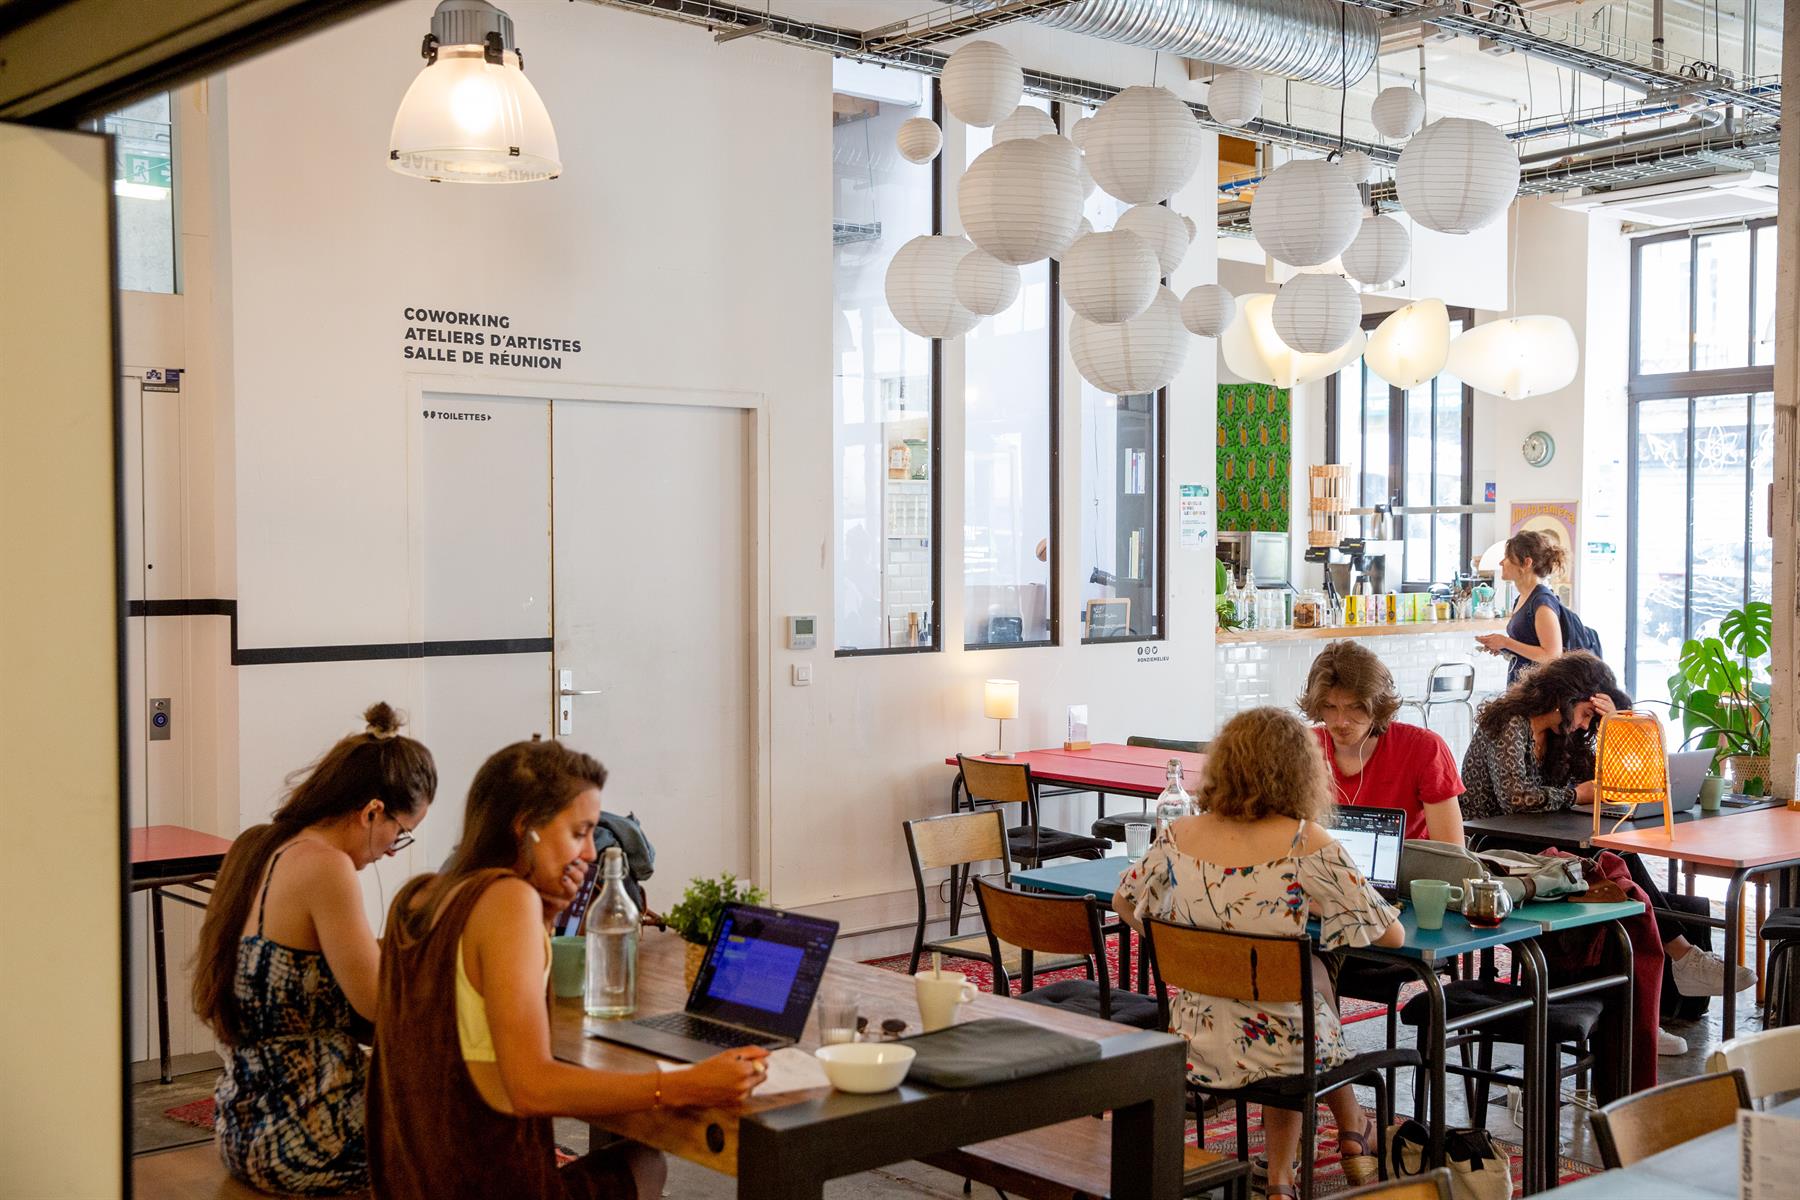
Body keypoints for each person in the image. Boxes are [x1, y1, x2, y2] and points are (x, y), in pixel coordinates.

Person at [368, 737, 766, 1199]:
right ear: (526, 827)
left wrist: (545, 914)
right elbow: (532, 1087)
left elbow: (469, 1032)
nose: (592, 853)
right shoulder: (507, 900)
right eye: (580, 833)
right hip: (492, 1186)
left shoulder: (416, 897)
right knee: (646, 1163)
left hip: (410, 1183)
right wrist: (685, 1085)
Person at [1113, 708, 1402, 1198]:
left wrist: (1184, 943)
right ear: (1300, 772)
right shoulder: (1305, 841)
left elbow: (1125, 902)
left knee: (1304, 987)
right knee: (1297, 1008)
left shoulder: (1178, 835)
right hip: (1281, 1049)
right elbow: (1389, 934)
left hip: (1193, 1040)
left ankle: (1313, 1156)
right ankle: (1296, 1171)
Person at [191, 702, 436, 1196]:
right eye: (401, 832)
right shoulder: (326, 866)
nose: (393, 849)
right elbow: (378, 1005)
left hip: (245, 1125)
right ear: (372, 811)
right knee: (467, 1139)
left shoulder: (264, 846)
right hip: (309, 1134)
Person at [1460, 653, 1754, 1049]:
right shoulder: (1510, 723)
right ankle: (1665, 980)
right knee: (1608, 868)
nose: (1584, 725)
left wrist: (1614, 722)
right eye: (1585, 714)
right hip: (1496, 850)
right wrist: (1575, 794)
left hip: (1541, 845)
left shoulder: (1562, 736)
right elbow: (1514, 799)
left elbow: (1610, 776)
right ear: (1564, 696)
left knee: (1614, 866)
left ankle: (1642, 1012)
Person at [1297, 639, 1466, 844]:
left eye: (1355, 707)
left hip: (1409, 865)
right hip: (1321, 863)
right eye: (1330, 707)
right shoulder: (1303, 748)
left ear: (1377, 705)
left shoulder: (1424, 749)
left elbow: (1451, 852)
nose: (1341, 721)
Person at [1474, 529, 1574, 684]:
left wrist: (1506, 642)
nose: (1501, 562)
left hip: (1539, 689)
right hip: (1523, 686)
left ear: (1527, 563)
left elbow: (1552, 655)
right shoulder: (1522, 598)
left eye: (1507, 557)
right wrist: (1503, 647)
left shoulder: (1542, 602)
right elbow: (1528, 644)